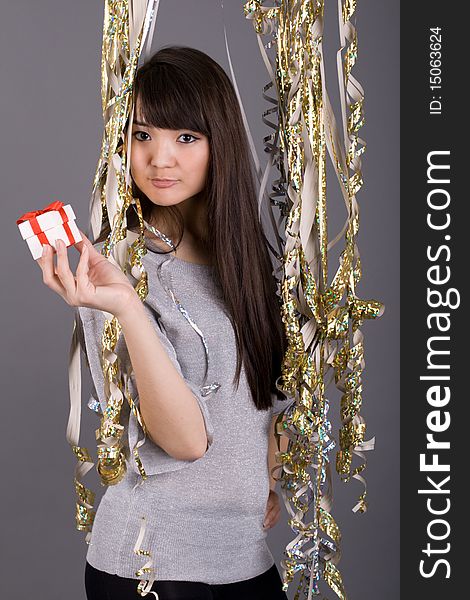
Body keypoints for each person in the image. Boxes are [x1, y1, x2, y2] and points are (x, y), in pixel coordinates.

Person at [36, 46, 292, 600]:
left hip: (244, 556)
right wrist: (127, 305)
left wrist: (259, 478)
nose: (160, 159)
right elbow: (184, 441)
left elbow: (258, 401)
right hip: (154, 568)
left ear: (217, 141)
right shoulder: (111, 270)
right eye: (142, 134)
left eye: (186, 138)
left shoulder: (242, 262)